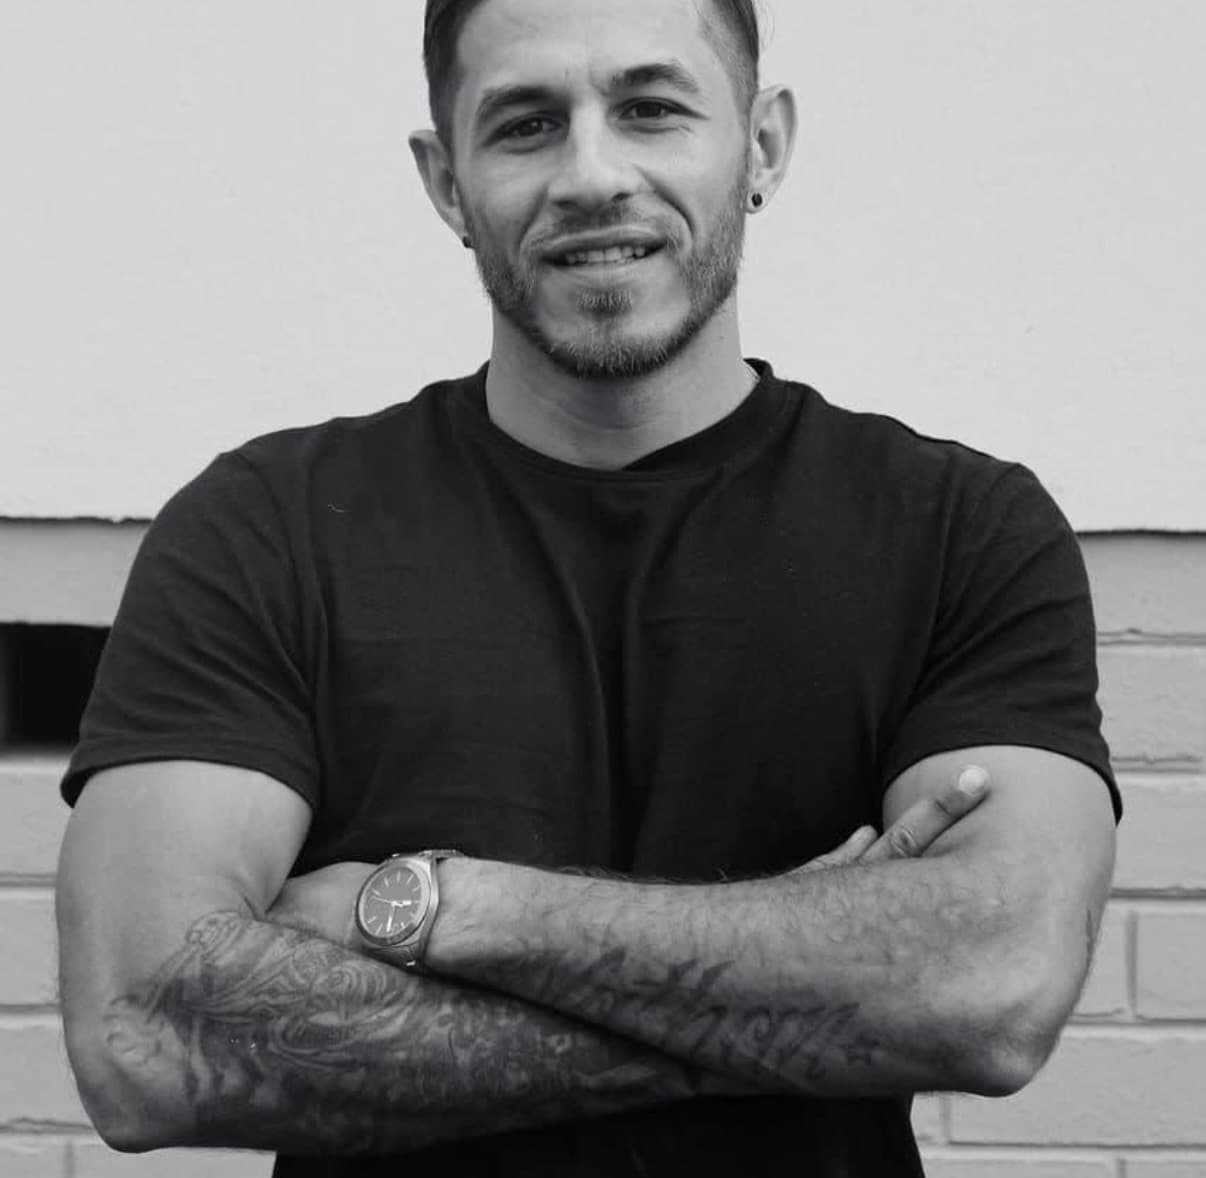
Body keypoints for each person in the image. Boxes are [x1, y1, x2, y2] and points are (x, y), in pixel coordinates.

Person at [56, 0, 1121, 1174]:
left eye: (652, 110)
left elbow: (993, 984)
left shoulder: (960, 529)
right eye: (524, 125)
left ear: (761, 144)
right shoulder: (266, 525)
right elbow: (146, 1035)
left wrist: (448, 907)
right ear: (446, 180)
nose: (592, 174)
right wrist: (805, 1009)